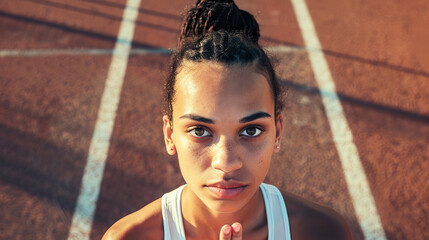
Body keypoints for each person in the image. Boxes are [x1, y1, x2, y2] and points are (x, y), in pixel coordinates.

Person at [103, 0, 352, 239]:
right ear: (170, 136)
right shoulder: (126, 238)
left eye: (251, 131)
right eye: (200, 131)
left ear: (277, 132)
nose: (227, 162)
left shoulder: (324, 233)